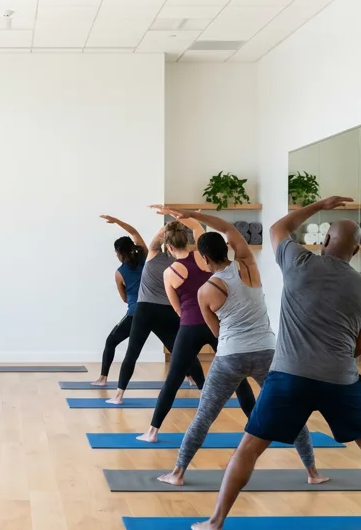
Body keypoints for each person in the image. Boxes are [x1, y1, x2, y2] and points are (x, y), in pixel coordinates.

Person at [191, 196, 361, 530]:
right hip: (340, 380)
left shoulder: (299, 261)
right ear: (355, 251)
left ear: (323, 242)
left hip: (288, 376)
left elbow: (279, 228)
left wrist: (319, 205)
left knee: (249, 446)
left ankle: (215, 523)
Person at [152, 206, 325, 486]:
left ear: (205, 258)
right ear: (227, 249)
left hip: (231, 354)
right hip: (267, 352)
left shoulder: (205, 291)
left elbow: (217, 332)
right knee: (290, 410)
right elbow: (228, 228)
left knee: (204, 416)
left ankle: (178, 473)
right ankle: (312, 472)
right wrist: (194, 216)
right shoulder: (247, 265)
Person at [136, 216, 255, 443]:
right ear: (188, 242)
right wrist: (179, 215)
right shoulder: (203, 258)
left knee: (173, 380)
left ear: (169, 247)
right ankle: (256, 425)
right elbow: (198, 226)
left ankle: (152, 432)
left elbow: (177, 309)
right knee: (238, 377)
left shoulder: (169, 272)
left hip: (190, 326)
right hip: (217, 324)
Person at [108, 216, 207, 405]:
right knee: (183, 352)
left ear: (167, 244)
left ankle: (119, 396)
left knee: (132, 353)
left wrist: (171, 223)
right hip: (168, 311)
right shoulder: (177, 263)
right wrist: (182, 221)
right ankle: (202, 389)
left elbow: (154, 238)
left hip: (144, 310)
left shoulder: (152, 254)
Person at [91, 216, 147, 386]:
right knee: (174, 344)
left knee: (111, 341)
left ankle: (103, 378)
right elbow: (134, 232)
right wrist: (117, 221)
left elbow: (124, 299)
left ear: (119, 253)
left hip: (135, 313)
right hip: (154, 310)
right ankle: (190, 377)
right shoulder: (145, 257)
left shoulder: (119, 273)